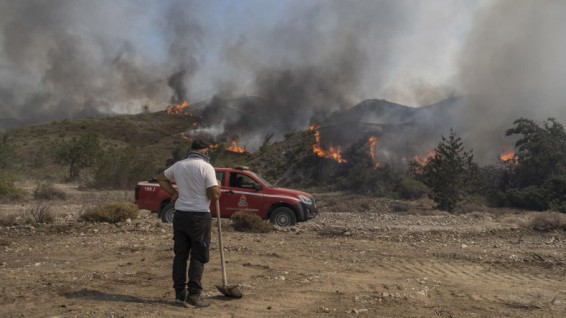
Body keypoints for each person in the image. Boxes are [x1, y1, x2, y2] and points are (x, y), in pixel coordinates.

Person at [156, 139, 220, 308]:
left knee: (180, 256)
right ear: (205, 151)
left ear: (192, 149)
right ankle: (194, 296)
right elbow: (214, 195)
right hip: (199, 217)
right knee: (198, 256)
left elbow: (161, 178)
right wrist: (217, 186)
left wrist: (174, 193)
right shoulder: (207, 167)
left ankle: (179, 295)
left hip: (181, 215)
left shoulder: (179, 165)